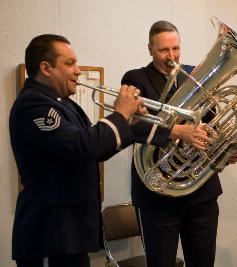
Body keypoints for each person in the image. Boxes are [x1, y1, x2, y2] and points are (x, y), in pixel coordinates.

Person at [10, 34, 145, 267]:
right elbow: (82, 147)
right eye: (70, 63)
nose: (78, 71)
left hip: (69, 233)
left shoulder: (64, 103)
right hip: (49, 233)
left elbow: (94, 151)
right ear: (46, 68)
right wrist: (120, 115)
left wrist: (128, 123)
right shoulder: (33, 104)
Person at [121, 21, 237, 267]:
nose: (171, 56)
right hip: (158, 194)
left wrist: (224, 149)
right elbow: (130, 126)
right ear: (150, 49)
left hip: (201, 194)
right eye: (164, 50)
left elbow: (212, 124)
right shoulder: (136, 78)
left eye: (176, 48)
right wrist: (176, 131)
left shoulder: (194, 74)